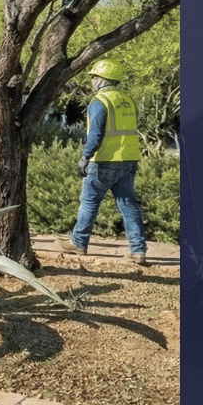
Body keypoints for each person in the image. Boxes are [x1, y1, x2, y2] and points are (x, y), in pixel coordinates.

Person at [55, 59, 149, 265]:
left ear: (103, 79)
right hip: (128, 159)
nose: (92, 80)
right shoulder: (127, 100)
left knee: (89, 202)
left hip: (104, 160)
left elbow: (96, 135)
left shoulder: (100, 101)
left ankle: (78, 242)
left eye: (94, 76)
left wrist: (84, 158)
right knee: (128, 204)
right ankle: (139, 250)